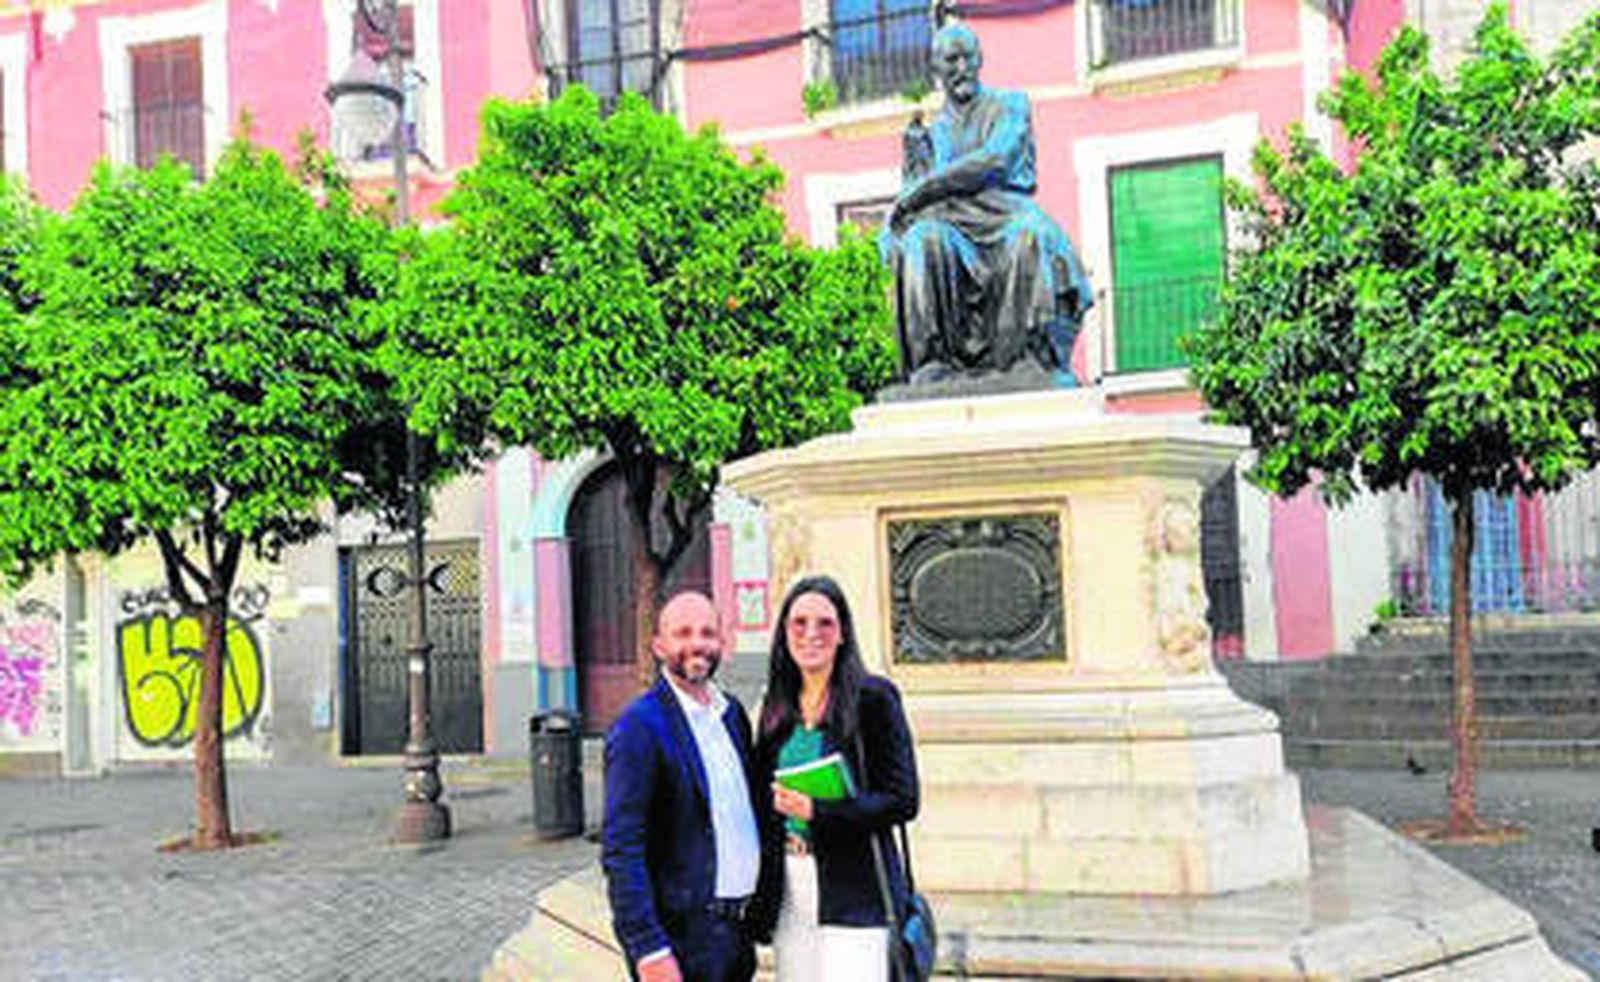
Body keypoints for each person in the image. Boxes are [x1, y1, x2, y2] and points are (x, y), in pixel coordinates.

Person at [883, 21, 1094, 384]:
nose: (961, 68)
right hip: (953, 224)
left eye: (968, 57)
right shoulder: (931, 135)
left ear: (980, 59)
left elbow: (996, 159)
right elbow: (908, 207)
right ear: (936, 70)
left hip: (1005, 213)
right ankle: (932, 362)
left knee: (1027, 238)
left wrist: (924, 188)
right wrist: (910, 186)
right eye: (951, 61)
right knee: (921, 241)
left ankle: (1026, 356)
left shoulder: (1010, 104)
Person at [747, 576, 920, 981]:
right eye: (799, 623)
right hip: (789, 892)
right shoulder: (776, 706)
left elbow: (902, 799)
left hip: (854, 890)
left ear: (842, 632)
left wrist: (817, 811)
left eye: (824, 623)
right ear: (784, 634)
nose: (811, 634)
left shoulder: (874, 699)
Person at [603, 591, 761, 982]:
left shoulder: (733, 714)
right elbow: (622, 849)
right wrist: (646, 947)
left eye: (708, 633)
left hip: (736, 935)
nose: (697, 644)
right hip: (682, 942)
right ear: (659, 646)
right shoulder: (639, 727)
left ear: (722, 642)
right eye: (683, 633)